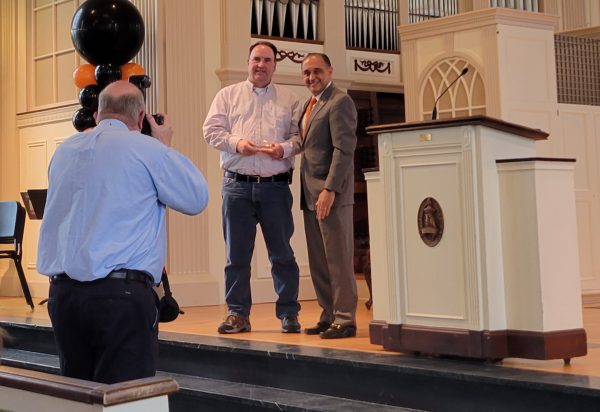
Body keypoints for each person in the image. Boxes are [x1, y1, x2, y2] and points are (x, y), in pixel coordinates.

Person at [37, 80, 209, 384]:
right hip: (120, 297)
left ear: (96, 114)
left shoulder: (64, 151)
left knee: (79, 398)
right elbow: (196, 198)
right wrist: (163, 146)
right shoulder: (148, 150)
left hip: (64, 296)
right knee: (124, 400)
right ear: (141, 118)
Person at [203, 41, 302, 334]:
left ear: (275, 65)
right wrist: (237, 144)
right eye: (256, 59)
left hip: (275, 188)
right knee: (237, 256)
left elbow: (299, 139)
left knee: (282, 254)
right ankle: (237, 314)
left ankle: (288, 313)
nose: (261, 64)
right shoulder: (227, 95)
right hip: (237, 187)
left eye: (267, 60)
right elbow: (210, 131)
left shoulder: (290, 99)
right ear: (248, 62)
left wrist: (282, 150)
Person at [299, 53, 358, 339]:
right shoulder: (309, 104)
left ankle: (345, 319)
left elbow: (343, 150)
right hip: (310, 194)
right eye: (307, 73)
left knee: (338, 259)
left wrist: (330, 189)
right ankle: (328, 314)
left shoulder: (339, 102)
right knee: (319, 261)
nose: (312, 77)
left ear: (330, 71)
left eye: (317, 71)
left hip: (330, 194)